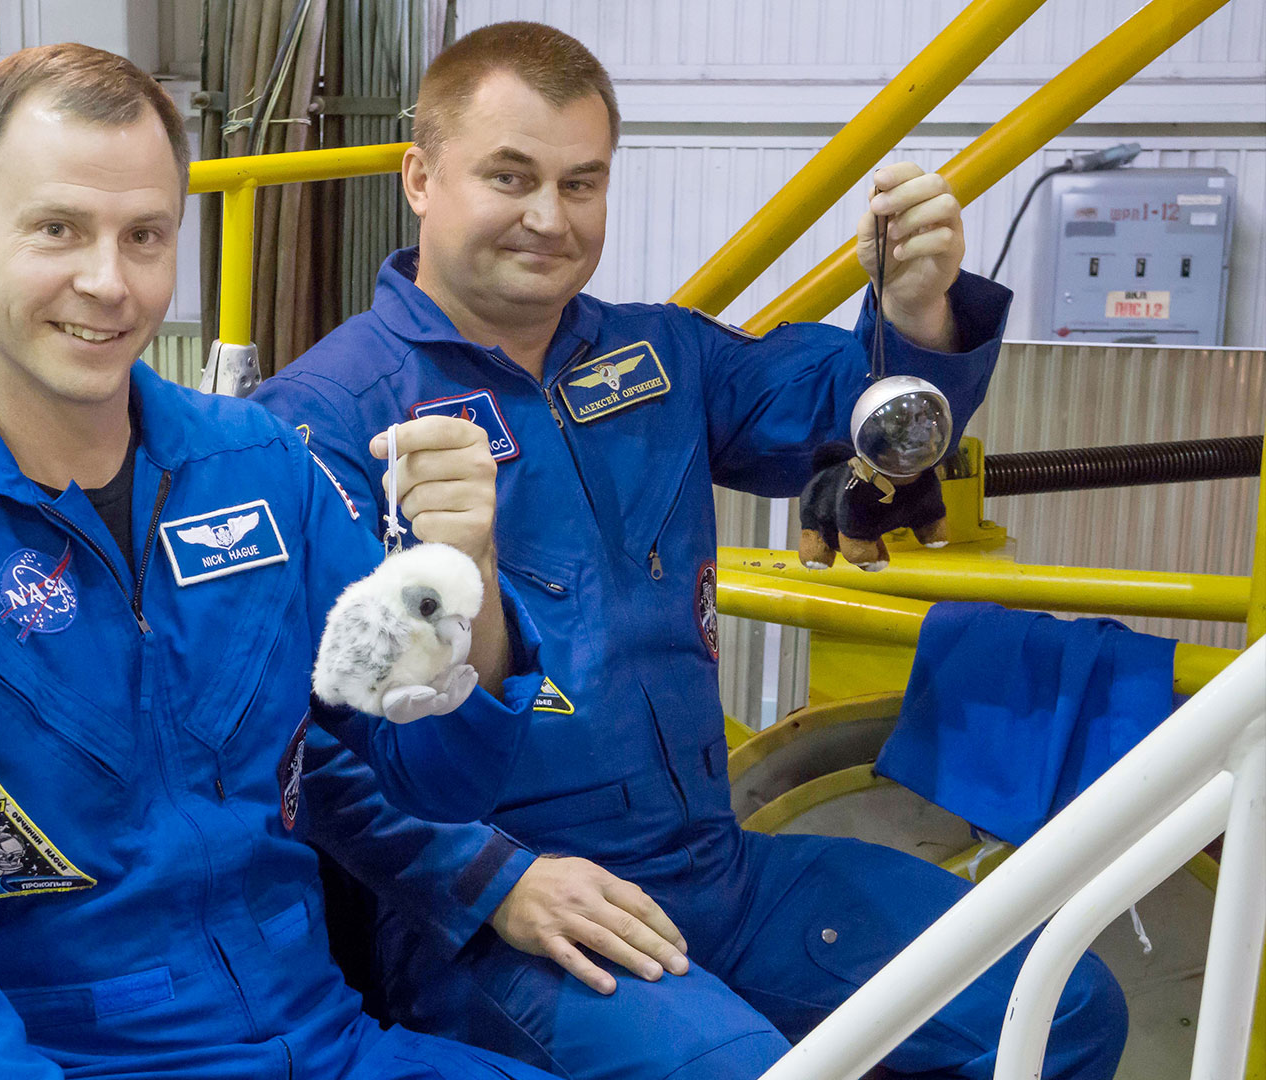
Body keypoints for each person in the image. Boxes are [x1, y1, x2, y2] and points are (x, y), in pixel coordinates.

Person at [252, 20, 1128, 1080]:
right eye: (510, 176)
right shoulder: (321, 423)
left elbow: (854, 417)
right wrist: (493, 881)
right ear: (420, 177)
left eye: (583, 184)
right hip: (506, 918)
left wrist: (914, 309)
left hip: (709, 868)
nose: (549, 217)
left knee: (1062, 1001)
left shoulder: (658, 357)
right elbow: (303, 747)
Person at [0, 42, 561, 1080]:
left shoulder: (262, 472)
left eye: (144, 236)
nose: (107, 281)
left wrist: (466, 580)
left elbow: (433, 770)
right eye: (58, 229)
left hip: (326, 1044)